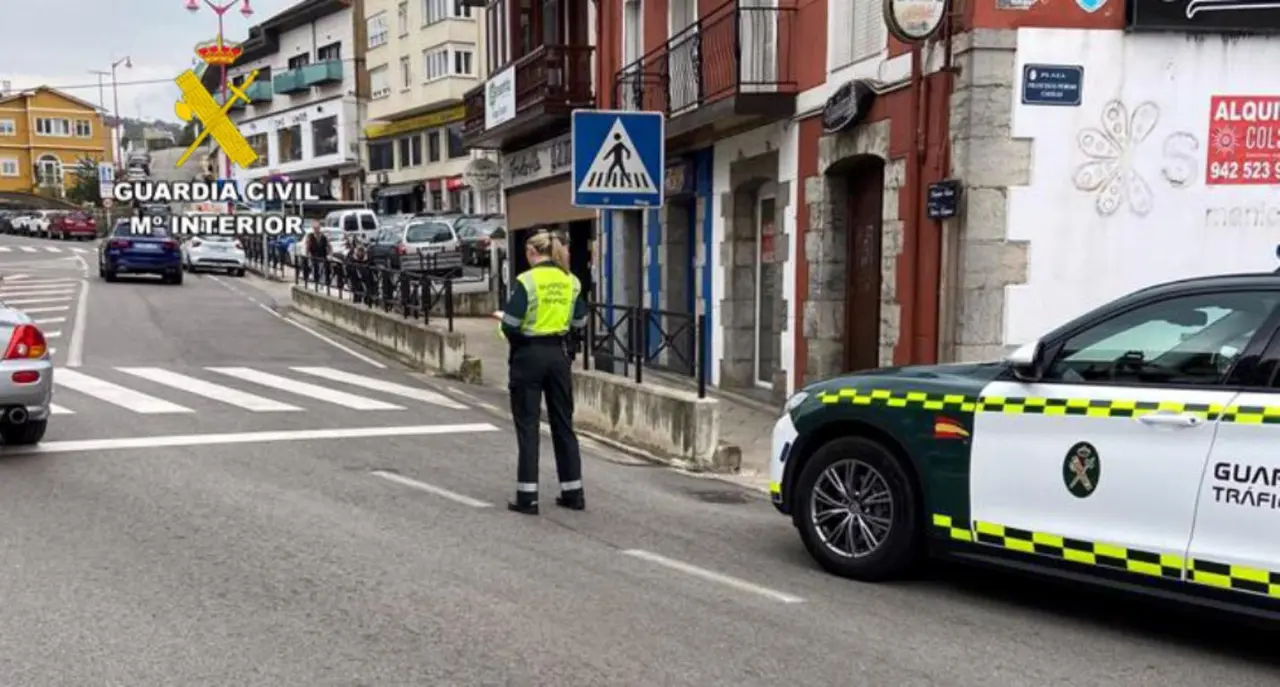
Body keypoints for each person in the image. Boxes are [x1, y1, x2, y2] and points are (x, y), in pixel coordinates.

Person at [500, 229, 588, 515]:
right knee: (564, 425)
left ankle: (528, 497)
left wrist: (518, 339)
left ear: (531, 253)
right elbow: (581, 320)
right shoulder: (570, 281)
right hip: (558, 356)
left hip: (529, 355)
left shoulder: (527, 281)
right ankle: (573, 492)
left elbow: (510, 323)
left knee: (528, 426)